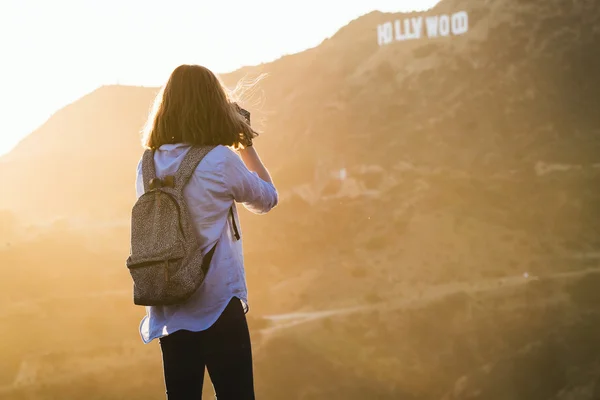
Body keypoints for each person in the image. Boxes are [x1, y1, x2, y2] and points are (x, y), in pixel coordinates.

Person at [135, 64, 278, 399]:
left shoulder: (147, 165)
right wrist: (244, 144)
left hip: (169, 308)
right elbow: (267, 199)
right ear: (213, 105)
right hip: (217, 305)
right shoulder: (219, 160)